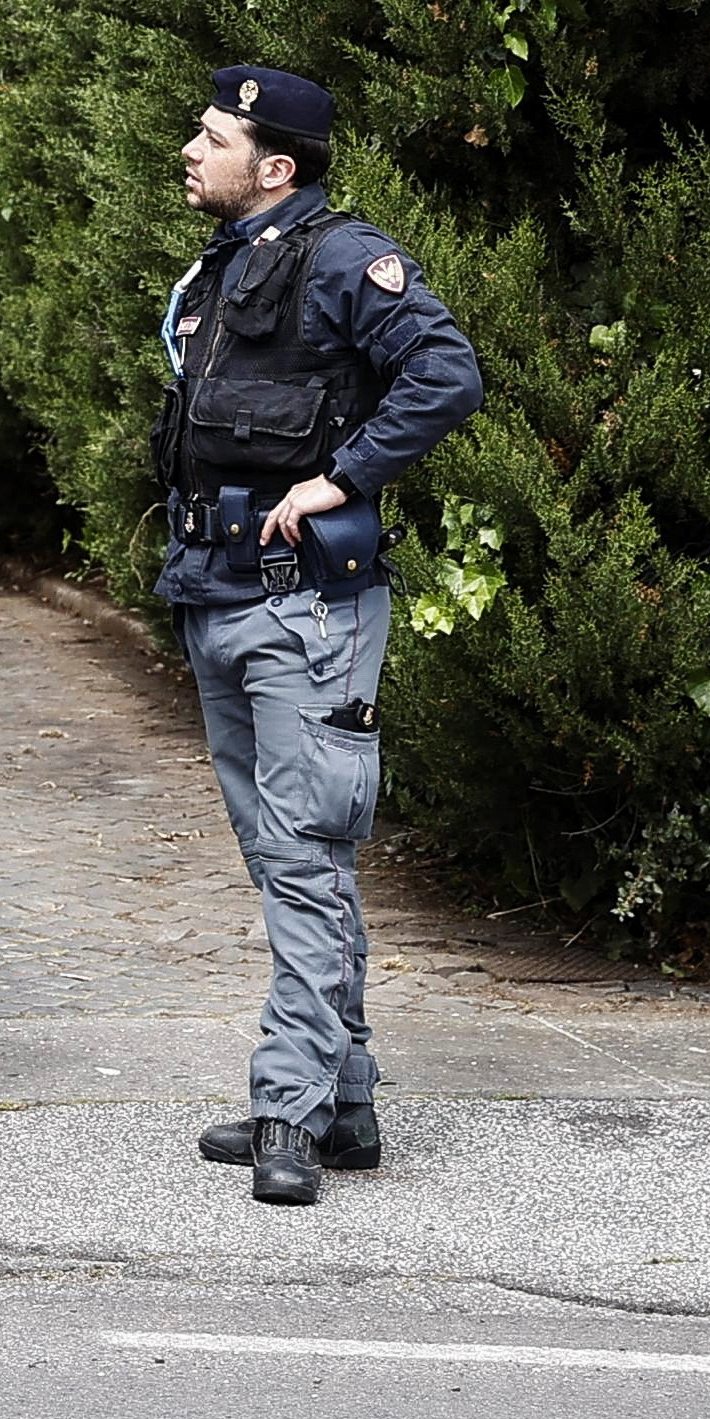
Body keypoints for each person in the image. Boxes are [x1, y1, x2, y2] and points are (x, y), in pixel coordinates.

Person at [158, 65, 486, 1209]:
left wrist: (341, 475)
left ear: (275, 166)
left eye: (212, 137)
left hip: (305, 603)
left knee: (303, 856)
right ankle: (342, 1100)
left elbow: (446, 372)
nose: (189, 151)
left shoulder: (346, 258)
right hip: (215, 587)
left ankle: (285, 1106)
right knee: (286, 857)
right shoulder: (224, 264)